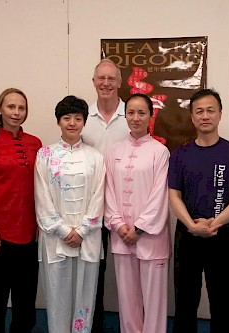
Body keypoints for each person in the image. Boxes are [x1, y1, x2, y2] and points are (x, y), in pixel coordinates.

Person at [168, 88, 229, 333]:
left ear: (219, 115)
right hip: (187, 235)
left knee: (224, 303)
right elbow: (173, 196)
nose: (205, 116)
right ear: (192, 117)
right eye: (199, 111)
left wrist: (215, 223)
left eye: (210, 110)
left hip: (222, 236)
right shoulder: (180, 155)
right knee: (185, 302)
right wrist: (192, 225)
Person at [34, 95, 105, 333]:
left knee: (85, 296)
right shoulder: (44, 155)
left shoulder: (95, 156)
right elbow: (42, 196)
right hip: (55, 238)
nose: (72, 123)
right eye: (67, 118)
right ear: (58, 121)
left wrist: (83, 229)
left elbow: (99, 195)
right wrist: (63, 230)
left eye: (77, 118)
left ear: (84, 121)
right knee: (57, 298)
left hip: (88, 237)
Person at [105, 93, 171, 333]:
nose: (135, 118)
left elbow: (160, 194)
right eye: (130, 113)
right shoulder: (113, 151)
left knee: (154, 303)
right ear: (125, 116)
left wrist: (140, 227)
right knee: (127, 301)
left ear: (150, 117)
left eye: (141, 113)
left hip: (151, 238)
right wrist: (118, 224)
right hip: (121, 236)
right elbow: (108, 190)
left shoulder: (160, 152)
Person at [0, 88, 42, 333]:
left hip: (29, 236)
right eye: (11, 107)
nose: (16, 113)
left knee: (25, 308)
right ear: (0, 109)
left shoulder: (35, 143)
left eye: (21, 108)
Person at [82, 58, 130, 332]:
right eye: (101, 78)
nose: (106, 83)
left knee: (130, 276)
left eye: (112, 78)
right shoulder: (83, 118)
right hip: (93, 209)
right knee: (94, 276)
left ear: (120, 82)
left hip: (126, 210)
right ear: (93, 82)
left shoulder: (133, 116)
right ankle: (94, 326)